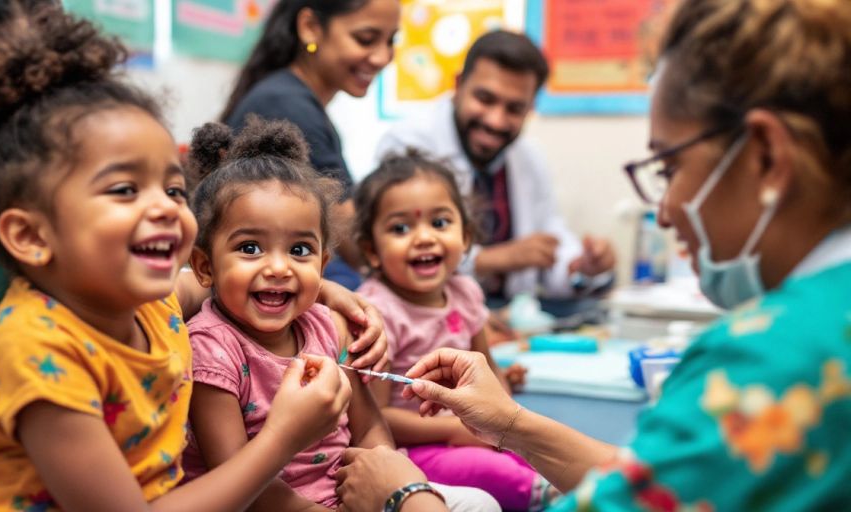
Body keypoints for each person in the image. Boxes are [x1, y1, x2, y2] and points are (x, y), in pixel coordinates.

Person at [0, 2, 387, 509]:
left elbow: (188, 286)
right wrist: (282, 440)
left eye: (172, 189)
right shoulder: (42, 352)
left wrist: (311, 295)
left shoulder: (138, 298)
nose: (9, 138)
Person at [337, 0, 851, 509]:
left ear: (766, 156)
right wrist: (510, 425)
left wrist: (402, 498)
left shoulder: (767, 358)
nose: (665, 211)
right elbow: (651, 483)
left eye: (669, 169)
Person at [181, 119, 498, 512]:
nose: (280, 267)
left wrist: (387, 477)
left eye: (299, 251)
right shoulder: (211, 349)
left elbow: (367, 426)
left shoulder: (328, 327)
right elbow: (236, 478)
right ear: (205, 266)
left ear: (323, 263)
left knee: (480, 504)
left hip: (353, 496)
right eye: (250, 248)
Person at [355, 150, 555, 510]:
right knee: (491, 470)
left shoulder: (465, 292)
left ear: (465, 238)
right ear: (372, 250)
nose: (424, 238)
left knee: (544, 445)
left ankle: (555, 484)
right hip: (416, 449)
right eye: (401, 228)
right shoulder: (378, 312)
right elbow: (375, 417)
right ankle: (547, 496)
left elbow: (489, 368)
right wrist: (455, 431)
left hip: (475, 430)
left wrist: (505, 421)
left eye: (440, 222)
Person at [375, 30, 616, 309]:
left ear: (530, 109)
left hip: (509, 315)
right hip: (432, 316)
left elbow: (551, 241)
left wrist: (583, 267)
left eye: (514, 108)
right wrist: (499, 258)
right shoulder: (409, 144)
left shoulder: (528, 157)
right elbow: (397, 250)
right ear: (458, 84)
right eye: (485, 99)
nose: (496, 121)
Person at [220, 0, 401, 290]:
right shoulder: (289, 106)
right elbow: (357, 246)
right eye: (365, 39)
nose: (382, 57)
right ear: (310, 28)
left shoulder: (290, 96)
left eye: (391, 40)